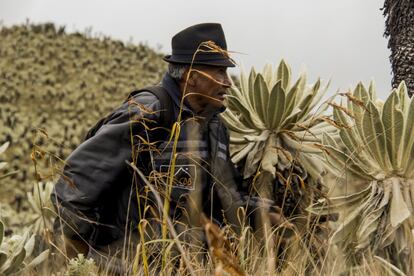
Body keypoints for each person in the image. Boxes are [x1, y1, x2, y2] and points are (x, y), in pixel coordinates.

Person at [51, 23, 278, 272]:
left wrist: (264, 214)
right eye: (220, 72)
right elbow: (76, 183)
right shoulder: (149, 111)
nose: (228, 83)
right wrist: (78, 260)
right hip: (125, 265)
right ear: (192, 77)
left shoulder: (216, 128)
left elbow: (223, 198)